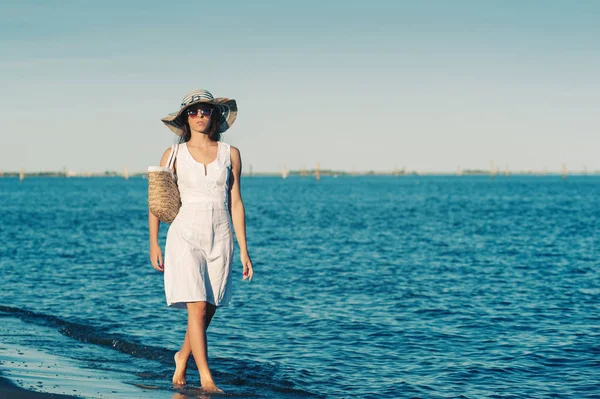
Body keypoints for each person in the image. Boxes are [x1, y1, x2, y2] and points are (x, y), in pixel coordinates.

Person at [148, 89, 254, 392]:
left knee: (209, 307)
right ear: (184, 118)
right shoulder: (173, 155)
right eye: (192, 112)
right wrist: (153, 242)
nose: (199, 116)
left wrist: (245, 250)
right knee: (195, 307)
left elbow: (236, 202)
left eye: (205, 111)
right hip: (185, 233)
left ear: (215, 115)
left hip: (220, 234)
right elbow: (157, 202)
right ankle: (206, 379)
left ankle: (182, 355)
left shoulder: (230, 153)